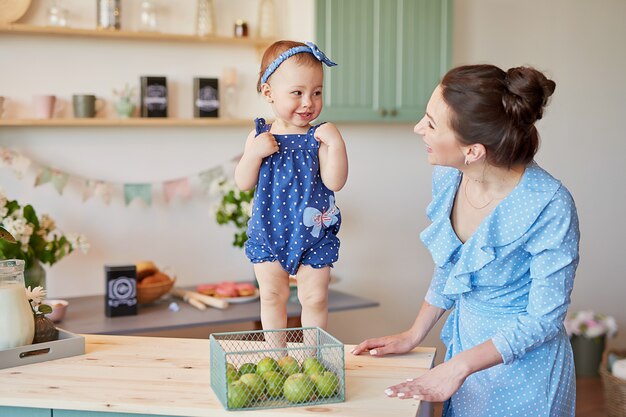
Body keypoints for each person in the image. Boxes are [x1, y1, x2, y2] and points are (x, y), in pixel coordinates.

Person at [352, 64, 580, 417]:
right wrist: (415, 333)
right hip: (464, 358)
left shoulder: (549, 204)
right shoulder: (448, 176)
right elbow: (454, 266)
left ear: (472, 151)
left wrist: (458, 366)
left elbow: (543, 320)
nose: (418, 129)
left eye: (430, 124)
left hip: (526, 376)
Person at [235, 40, 348, 332]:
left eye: (317, 92)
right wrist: (254, 154)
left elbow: (335, 182)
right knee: (272, 297)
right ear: (268, 92)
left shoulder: (319, 138)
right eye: (297, 93)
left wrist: (336, 144)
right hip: (270, 230)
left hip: (313, 232)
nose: (309, 102)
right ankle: (277, 358)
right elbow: (243, 182)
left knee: (315, 298)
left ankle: (312, 361)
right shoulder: (259, 136)